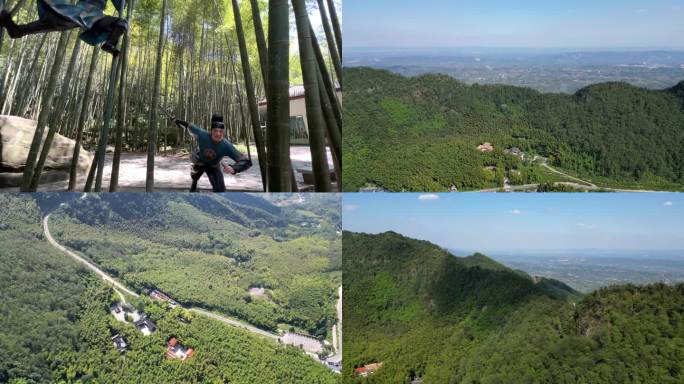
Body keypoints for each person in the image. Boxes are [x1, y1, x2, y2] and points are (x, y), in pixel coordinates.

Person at [0, 0, 127, 55]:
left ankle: (110, 44)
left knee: (121, 23)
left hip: (94, 15)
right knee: (58, 19)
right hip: (77, 12)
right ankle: (16, 30)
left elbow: (121, 4)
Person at [173, 114, 252, 192]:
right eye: (215, 131)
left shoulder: (226, 145)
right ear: (211, 131)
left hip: (213, 165)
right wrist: (176, 120)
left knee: (220, 190)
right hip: (200, 162)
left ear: (223, 132)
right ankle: (194, 182)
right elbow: (188, 125)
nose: (218, 134)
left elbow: (246, 161)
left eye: (221, 131)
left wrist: (234, 168)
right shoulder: (202, 134)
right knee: (194, 176)